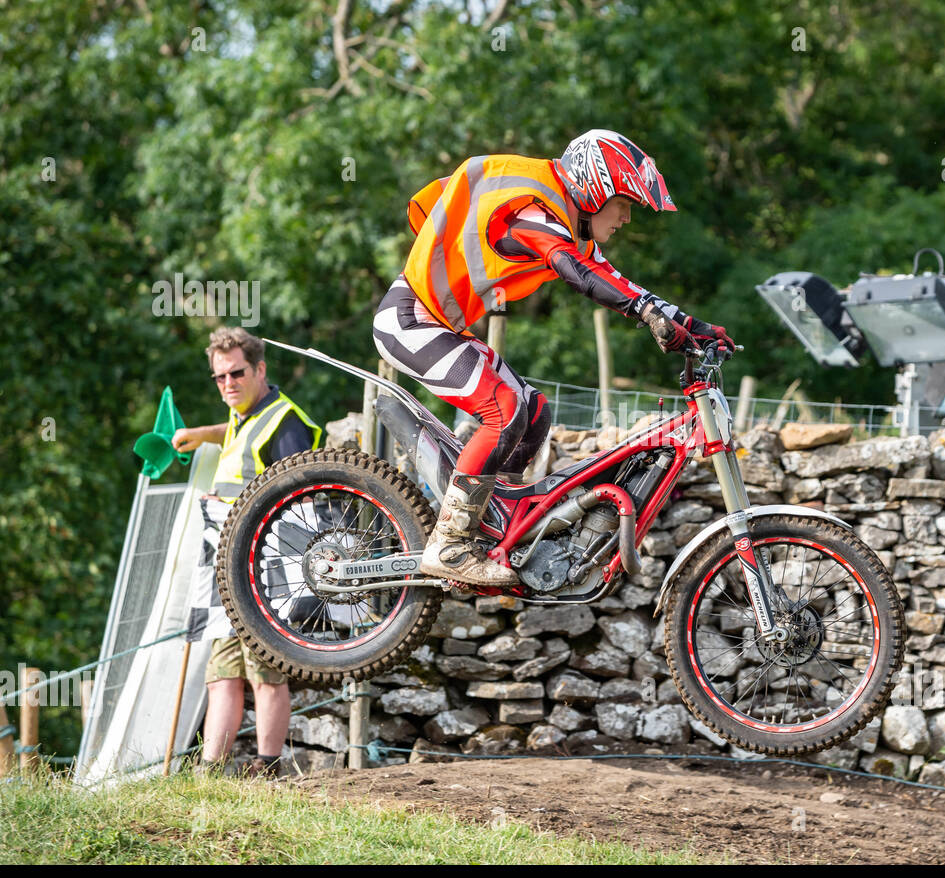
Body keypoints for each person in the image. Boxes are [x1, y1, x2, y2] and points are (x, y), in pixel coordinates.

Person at [374, 129, 736, 586]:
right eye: (624, 202)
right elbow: (573, 269)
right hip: (410, 320)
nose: (627, 217)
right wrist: (643, 313)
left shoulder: (560, 219)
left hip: (439, 324)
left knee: (535, 411)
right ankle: (451, 543)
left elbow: (613, 278)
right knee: (504, 409)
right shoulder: (529, 210)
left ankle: (495, 527)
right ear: (595, 188)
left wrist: (695, 325)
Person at [172, 327, 322, 777]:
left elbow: (301, 498)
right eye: (219, 377)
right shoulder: (243, 415)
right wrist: (204, 433)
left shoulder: (286, 421)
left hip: (264, 570)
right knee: (221, 673)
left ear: (260, 369)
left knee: (265, 671)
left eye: (237, 373)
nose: (228, 384)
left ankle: (267, 766)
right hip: (223, 569)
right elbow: (239, 430)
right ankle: (211, 771)